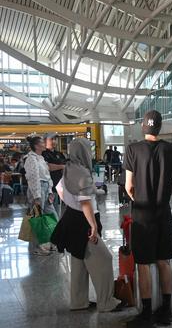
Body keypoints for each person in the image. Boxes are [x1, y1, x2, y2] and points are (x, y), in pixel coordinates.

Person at [124, 110, 172, 328]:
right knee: (163, 261)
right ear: (160, 127)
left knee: (143, 263)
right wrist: (165, 194)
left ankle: (147, 313)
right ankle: (166, 310)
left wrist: (139, 197)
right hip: (163, 213)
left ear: (143, 126)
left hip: (142, 215)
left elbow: (128, 186)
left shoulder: (133, 149)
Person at [50, 138, 123, 313]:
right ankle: (106, 302)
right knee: (105, 259)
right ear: (83, 152)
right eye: (88, 149)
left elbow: (60, 189)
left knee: (79, 261)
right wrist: (94, 226)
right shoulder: (82, 172)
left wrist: (72, 201)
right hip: (84, 222)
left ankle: (78, 301)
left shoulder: (68, 168)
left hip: (70, 218)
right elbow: (85, 203)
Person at [24, 136, 57, 255]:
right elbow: (33, 178)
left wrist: (49, 191)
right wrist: (37, 196)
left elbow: (47, 176)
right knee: (37, 219)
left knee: (52, 215)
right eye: (42, 142)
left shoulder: (41, 158)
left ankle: (51, 241)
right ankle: (39, 246)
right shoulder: (30, 159)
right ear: (37, 146)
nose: (44, 144)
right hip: (36, 190)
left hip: (45, 188)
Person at [42, 133, 66, 216]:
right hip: (48, 187)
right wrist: (62, 166)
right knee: (49, 211)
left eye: (55, 139)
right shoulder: (43, 154)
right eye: (51, 139)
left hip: (59, 186)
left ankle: (55, 227)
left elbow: (66, 166)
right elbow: (48, 167)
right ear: (45, 141)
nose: (54, 141)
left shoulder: (59, 154)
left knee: (57, 210)